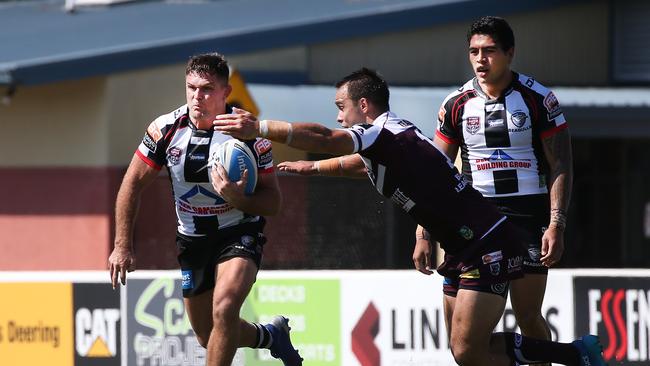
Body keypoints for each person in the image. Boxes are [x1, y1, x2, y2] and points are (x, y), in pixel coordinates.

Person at [214, 67, 603, 366]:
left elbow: (324, 138)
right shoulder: (390, 137)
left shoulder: (378, 131)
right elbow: (357, 163)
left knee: (469, 351)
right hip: (464, 245)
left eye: (341, 108)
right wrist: (312, 170)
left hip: (486, 243)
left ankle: (574, 355)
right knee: (465, 350)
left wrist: (261, 127)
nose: (339, 117)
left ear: (363, 106)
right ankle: (576, 353)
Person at [108, 53, 303, 366]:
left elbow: (274, 203)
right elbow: (131, 185)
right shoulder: (165, 129)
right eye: (192, 88)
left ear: (225, 92)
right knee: (207, 334)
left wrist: (239, 199)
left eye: (207, 89)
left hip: (239, 233)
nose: (198, 96)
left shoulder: (248, 133)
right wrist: (121, 246)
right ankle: (270, 335)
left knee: (224, 309)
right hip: (192, 240)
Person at [428, 16, 573, 364]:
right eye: (474, 51)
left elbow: (561, 165)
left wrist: (556, 223)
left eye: (489, 51)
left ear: (509, 53)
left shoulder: (539, 99)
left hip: (526, 219)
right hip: (474, 221)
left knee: (528, 317)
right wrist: (423, 231)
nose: (480, 59)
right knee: (460, 340)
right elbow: (433, 174)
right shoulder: (456, 104)